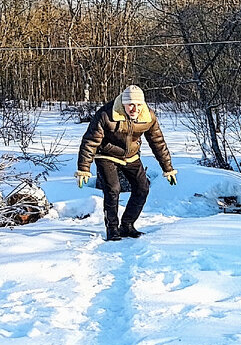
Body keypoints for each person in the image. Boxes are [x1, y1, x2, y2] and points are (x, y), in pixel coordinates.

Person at [74, 85, 177, 240]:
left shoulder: (148, 117)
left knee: (142, 188)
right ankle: (112, 229)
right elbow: (90, 141)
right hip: (106, 154)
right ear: (123, 103)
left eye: (138, 105)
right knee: (113, 190)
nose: (134, 109)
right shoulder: (106, 114)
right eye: (130, 104)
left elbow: (158, 142)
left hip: (131, 156)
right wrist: (84, 168)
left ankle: (127, 225)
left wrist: (168, 168)